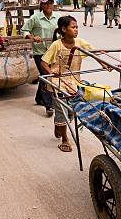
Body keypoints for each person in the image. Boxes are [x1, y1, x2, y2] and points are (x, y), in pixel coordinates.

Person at [40, 16, 106, 152]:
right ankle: (65, 138)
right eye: (73, 27)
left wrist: (103, 63)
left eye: (77, 27)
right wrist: (52, 73)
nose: (76, 30)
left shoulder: (80, 42)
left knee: (72, 112)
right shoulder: (56, 45)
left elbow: (93, 53)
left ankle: (59, 126)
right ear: (64, 29)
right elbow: (44, 62)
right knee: (62, 111)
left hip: (74, 82)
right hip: (58, 83)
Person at [22, 0, 60, 116]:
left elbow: (62, 30)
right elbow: (24, 30)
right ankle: (49, 105)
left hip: (54, 52)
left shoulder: (57, 17)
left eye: (51, 3)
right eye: (46, 3)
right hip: (40, 52)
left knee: (46, 76)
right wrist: (32, 37)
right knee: (47, 75)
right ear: (42, 5)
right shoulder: (36, 18)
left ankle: (39, 98)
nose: (49, 5)